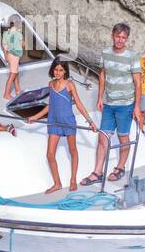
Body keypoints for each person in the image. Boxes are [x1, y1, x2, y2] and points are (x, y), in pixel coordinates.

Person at [81, 21, 142, 185]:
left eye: (123, 37)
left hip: (126, 105)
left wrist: (136, 107)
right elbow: (102, 75)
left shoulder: (133, 56)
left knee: (123, 138)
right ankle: (97, 172)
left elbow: (138, 83)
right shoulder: (106, 53)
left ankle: (120, 167)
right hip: (109, 103)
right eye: (118, 36)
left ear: (127, 39)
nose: (120, 40)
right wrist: (100, 97)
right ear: (112, 36)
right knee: (103, 138)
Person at [26, 58, 97, 193]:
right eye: (56, 69)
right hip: (54, 122)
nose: (58, 73)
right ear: (52, 70)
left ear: (65, 71)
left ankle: (72, 180)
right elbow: (50, 105)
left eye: (61, 70)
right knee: (50, 154)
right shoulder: (50, 84)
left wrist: (91, 122)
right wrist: (35, 117)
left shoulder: (69, 85)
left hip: (68, 122)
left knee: (72, 150)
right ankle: (57, 183)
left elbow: (79, 104)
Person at [2, 15, 24, 101]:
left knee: (16, 72)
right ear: (18, 24)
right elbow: (22, 44)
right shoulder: (18, 34)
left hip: (9, 55)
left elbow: (5, 46)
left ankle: (17, 90)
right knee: (13, 74)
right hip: (15, 56)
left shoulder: (5, 33)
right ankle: (6, 94)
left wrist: (5, 56)